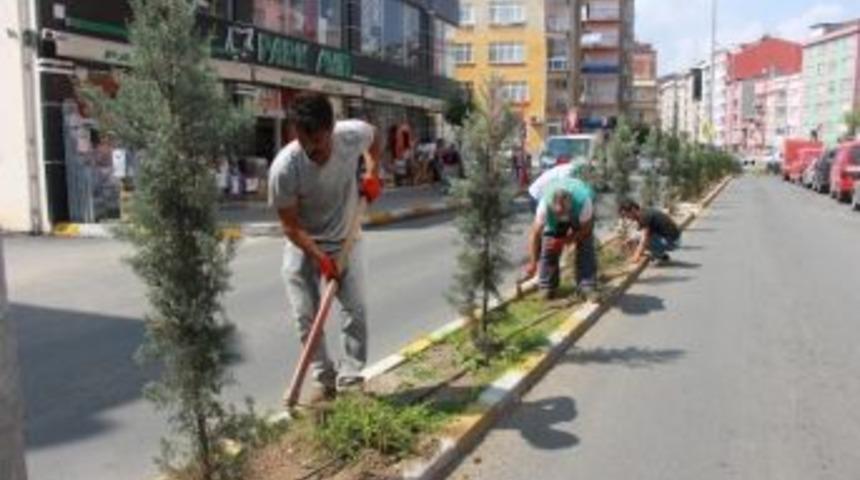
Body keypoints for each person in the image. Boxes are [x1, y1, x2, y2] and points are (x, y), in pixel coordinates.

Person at [268, 93, 383, 402]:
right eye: (306, 144)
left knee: (355, 310)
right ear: (296, 133)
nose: (314, 151)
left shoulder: (351, 135)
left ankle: (350, 377)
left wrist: (372, 172)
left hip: (347, 236)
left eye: (319, 142)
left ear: (331, 128)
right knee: (305, 315)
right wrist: (318, 256)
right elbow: (290, 226)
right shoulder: (284, 169)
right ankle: (324, 378)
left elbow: (375, 138)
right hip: (304, 242)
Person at [524, 177, 598, 300]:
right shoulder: (544, 206)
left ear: (570, 205)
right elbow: (535, 234)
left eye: (563, 213)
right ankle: (547, 286)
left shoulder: (584, 202)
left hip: (579, 217)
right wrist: (533, 263)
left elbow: (587, 229)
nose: (561, 217)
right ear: (552, 207)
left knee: (585, 245)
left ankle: (587, 285)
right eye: (557, 213)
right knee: (549, 246)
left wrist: (565, 240)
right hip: (558, 212)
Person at [618, 199, 681, 263]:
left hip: (673, 242)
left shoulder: (644, 216)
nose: (626, 217)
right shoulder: (644, 212)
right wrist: (628, 240)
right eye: (624, 216)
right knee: (636, 237)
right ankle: (660, 255)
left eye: (626, 215)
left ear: (633, 210)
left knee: (642, 240)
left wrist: (636, 256)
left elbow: (644, 238)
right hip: (673, 239)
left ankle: (657, 254)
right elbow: (640, 232)